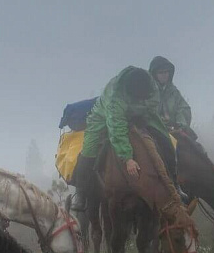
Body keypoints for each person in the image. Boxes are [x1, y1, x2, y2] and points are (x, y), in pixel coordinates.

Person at [72, 66, 175, 211]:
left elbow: (153, 104)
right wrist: (128, 158)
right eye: (137, 97)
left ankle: (174, 185)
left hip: (141, 115)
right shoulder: (115, 95)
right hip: (104, 117)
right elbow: (116, 127)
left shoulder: (150, 85)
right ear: (130, 93)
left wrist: (142, 116)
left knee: (165, 139)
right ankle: (81, 194)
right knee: (88, 149)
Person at [148, 56, 194, 135]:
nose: (164, 75)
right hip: (151, 130)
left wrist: (180, 125)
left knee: (194, 145)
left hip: (173, 131)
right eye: (161, 72)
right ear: (154, 74)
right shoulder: (148, 90)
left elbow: (183, 109)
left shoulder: (174, 93)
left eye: (166, 72)